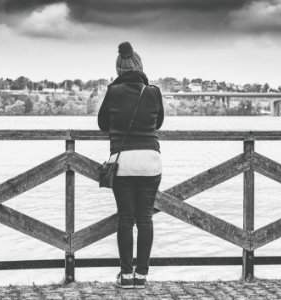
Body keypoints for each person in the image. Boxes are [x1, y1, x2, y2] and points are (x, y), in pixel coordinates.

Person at [98, 41, 164, 289]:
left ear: (118, 70)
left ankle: (126, 276)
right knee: (145, 218)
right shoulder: (153, 91)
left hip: (122, 161)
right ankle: (142, 276)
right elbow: (158, 124)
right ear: (140, 67)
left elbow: (103, 124)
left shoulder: (112, 92)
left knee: (126, 219)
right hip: (150, 161)